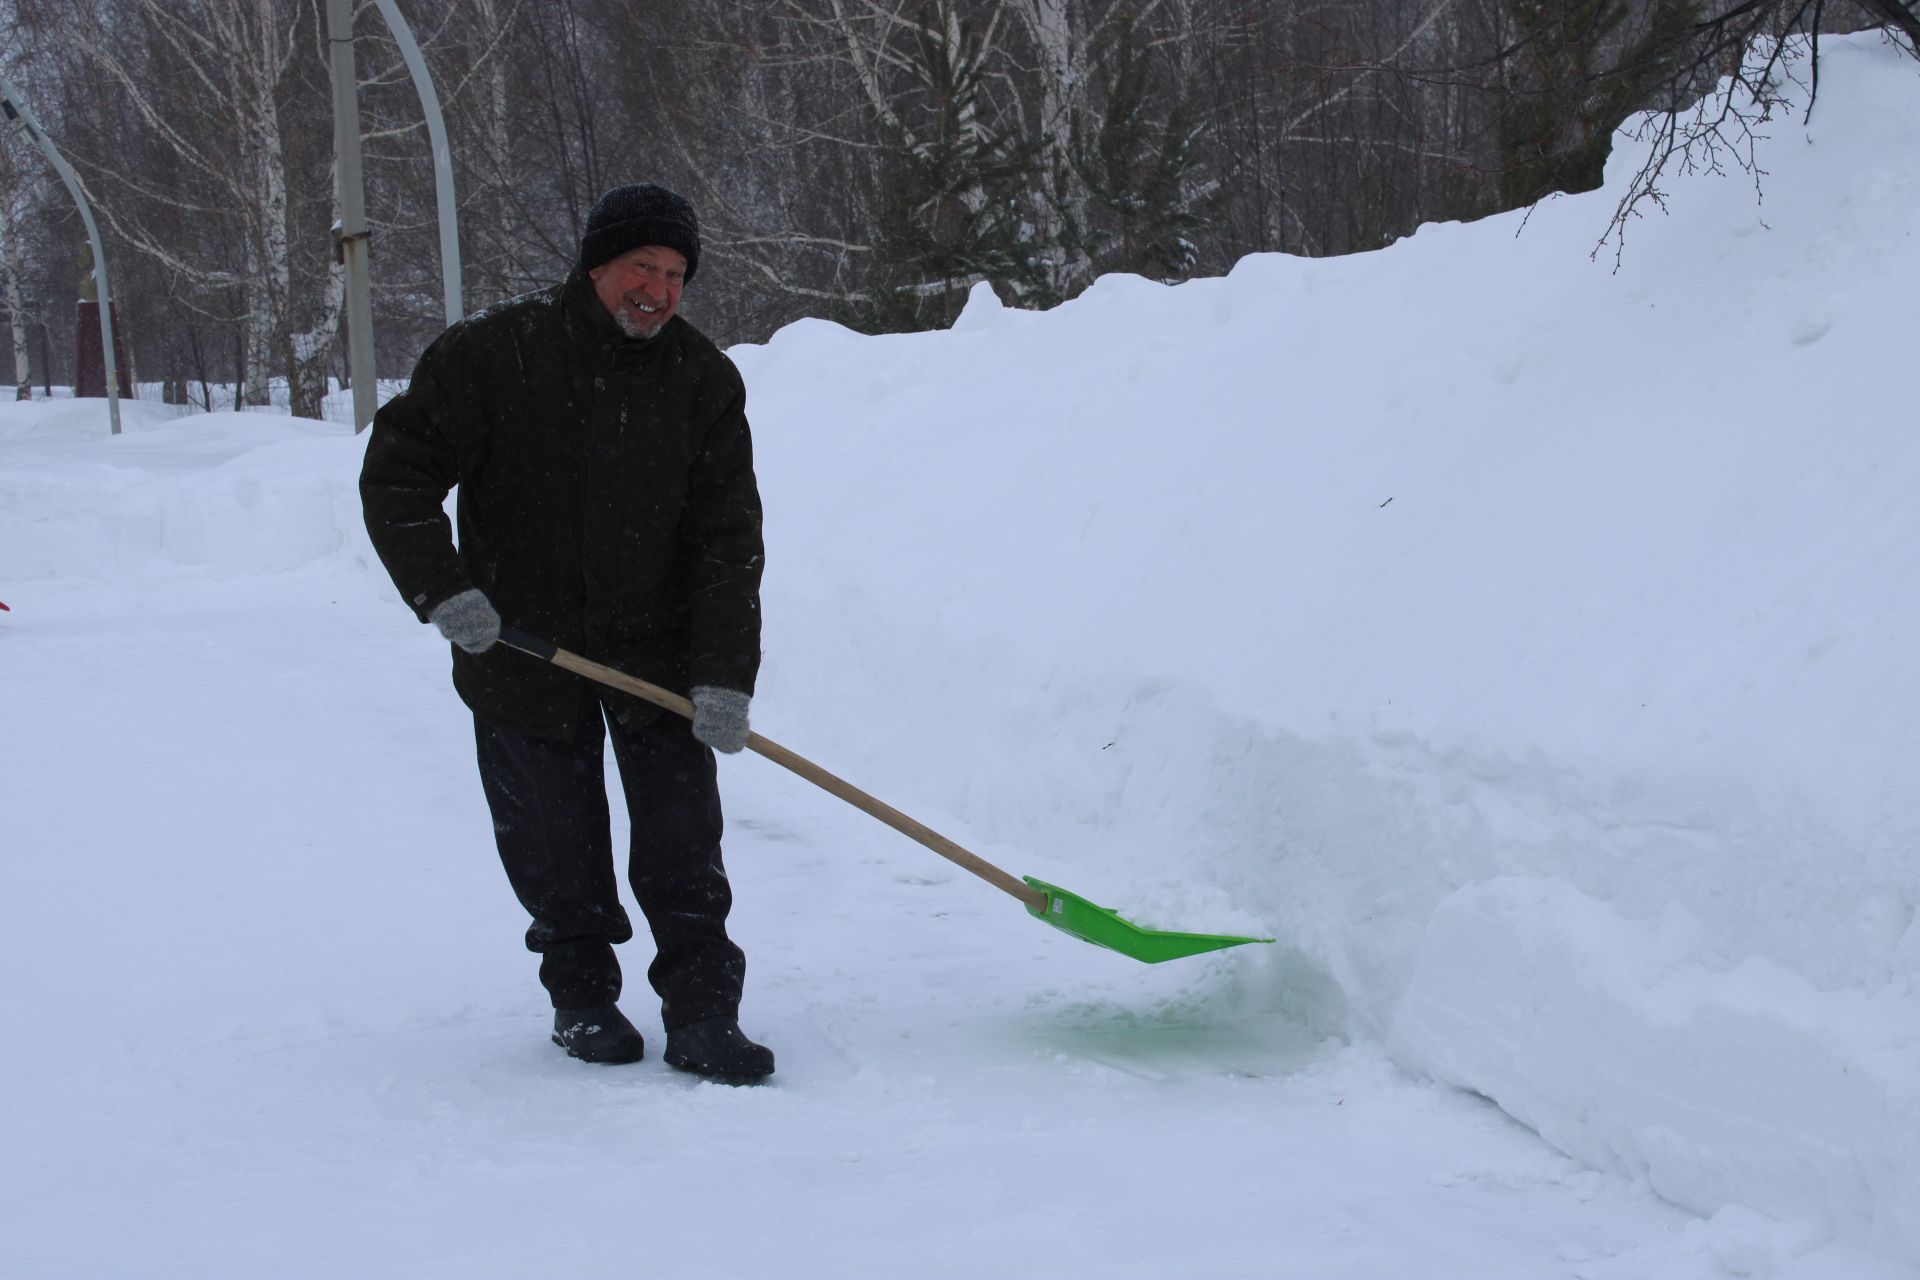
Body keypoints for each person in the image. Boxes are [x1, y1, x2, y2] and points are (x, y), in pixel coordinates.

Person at [359, 182, 773, 1082]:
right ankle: (581, 999)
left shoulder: (702, 379)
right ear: (595, 265)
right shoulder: (493, 356)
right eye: (641, 267)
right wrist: (444, 592)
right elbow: (396, 478)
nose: (658, 290)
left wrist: (725, 675)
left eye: (674, 274)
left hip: (656, 658)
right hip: (520, 648)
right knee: (557, 842)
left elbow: (727, 539)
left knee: (682, 844)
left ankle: (704, 1011)